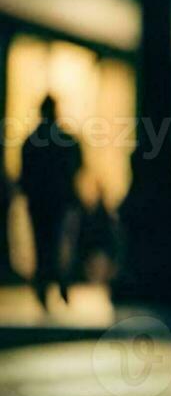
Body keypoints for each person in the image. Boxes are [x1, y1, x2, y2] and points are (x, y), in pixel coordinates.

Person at [19, 96, 83, 309]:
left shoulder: (32, 141)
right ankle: (60, 283)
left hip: (41, 201)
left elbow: (25, 174)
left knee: (43, 244)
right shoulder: (64, 140)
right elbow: (76, 165)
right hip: (58, 200)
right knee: (59, 244)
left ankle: (45, 286)